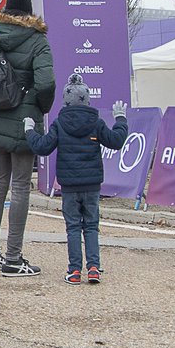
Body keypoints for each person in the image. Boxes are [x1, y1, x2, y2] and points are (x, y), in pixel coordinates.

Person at [0, 0, 56, 277]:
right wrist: (38, 107)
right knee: (21, 186)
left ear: (7, 8)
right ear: (29, 12)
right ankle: (13, 258)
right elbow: (46, 83)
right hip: (24, 120)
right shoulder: (37, 40)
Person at [25, 74, 128, 284]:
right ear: (87, 99)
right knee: (91, 226)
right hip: (92, 184)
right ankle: (93, 268)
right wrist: (120, 119)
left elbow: (42, 147)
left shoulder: (59, 123)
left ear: (65, 101)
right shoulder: (96, 122)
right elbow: (116, 141)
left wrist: (29, 131)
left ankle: (74, 271)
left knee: (73, 227)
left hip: (69, 185)